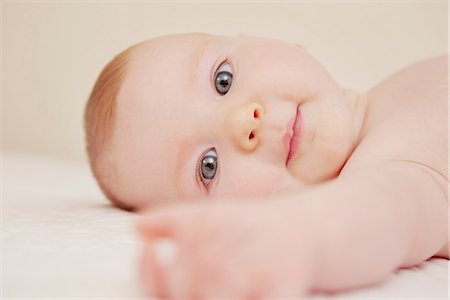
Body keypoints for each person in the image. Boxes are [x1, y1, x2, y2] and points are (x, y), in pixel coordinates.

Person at [84, 33, 448, 298]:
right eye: (208, 166)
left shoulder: (391, 100)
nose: (242, 122)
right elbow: (388, 213)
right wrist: (297, 236)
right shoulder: (390, 169)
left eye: (222, 80)